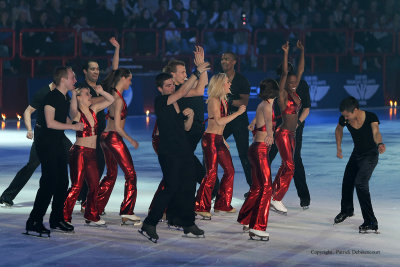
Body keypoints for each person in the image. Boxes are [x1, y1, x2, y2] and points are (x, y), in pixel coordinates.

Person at [140, 62, 209, 243]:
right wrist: (197, 72)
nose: (172, 87)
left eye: (172, 85)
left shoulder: (176, 103)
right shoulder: (161, 101)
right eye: (168, 86)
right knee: (171, 187)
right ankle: (150, 223)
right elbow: (181, 92)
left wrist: (191, 117)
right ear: (160, 88)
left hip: (183, 150)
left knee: (188, 186)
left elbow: (185, 127)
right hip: (169, 151)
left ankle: (188, 222)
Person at [25, 66, 83, 237]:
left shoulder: (63, 97)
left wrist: (72, 117)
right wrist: (72, 127)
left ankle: (56, 219)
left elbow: (66, 117)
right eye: (73, 77)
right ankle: (34, 221)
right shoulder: (51, 97)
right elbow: (50, 123)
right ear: (63, 79)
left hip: (56, 142)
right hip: (45, 143)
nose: (75, 80)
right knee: (49, 182)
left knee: (63, 182)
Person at [0, 82, 71, 207]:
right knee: (32, 165)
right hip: (42, 136)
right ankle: (7, 196)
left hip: (58, 136)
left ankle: (79, 194)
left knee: (75, 157)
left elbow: (64, 117)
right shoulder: (43, 93)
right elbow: (27, 112)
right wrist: (29, 129)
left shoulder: (63, 94)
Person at [194, 73, 246, 220]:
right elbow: (218, 122)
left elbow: (218, 125)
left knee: (230, 170)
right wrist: (238, 113)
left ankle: (222, 204)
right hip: (210, 140)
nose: (230, 84)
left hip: (218, 140)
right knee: (211, 174)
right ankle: (200, 205)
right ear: (220, 85)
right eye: (227, 82)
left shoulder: (223, 100)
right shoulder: (213, 100)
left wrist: (222, 139)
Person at [77, 37, 120, 206]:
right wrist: (104, 98)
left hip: (100, 133)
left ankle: (88, 200)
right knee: (85, 169)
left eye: (97, 69)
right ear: (85, 71)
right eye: (92, 69)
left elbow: (115, 71)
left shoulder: (101, 86)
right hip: (86, 134)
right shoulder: (81, 88)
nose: (96, 71)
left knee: (99, 167)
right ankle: (81, 197)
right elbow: (88, 104)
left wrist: (116, 49)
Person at [237, 76, 281, 241]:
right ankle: (257, 227)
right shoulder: (268, 105)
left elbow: (260, 116)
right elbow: (269, 121)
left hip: (255, 149)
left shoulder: (264, 104)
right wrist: (270, 134)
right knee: (266, 188)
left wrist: (253, 123)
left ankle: (247, 219)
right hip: (260, 150)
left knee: (257, 187)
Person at [63, 85, 114, 226]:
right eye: (87, 94)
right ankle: (64, 216)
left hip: (91, 153)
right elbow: (72, 110)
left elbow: (111, 100)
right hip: (79, 152)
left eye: (90, 94)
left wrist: (102, 91)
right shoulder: (77, 113)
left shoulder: (94, 110)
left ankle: (91, 215)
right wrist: (73, 94)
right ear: (79, 98)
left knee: (94, 186)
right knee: (76, 186)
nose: (90, 96)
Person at [334, 96, 385, 233]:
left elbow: (376, 132)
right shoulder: (344, 118)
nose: (346, 118)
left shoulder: (370, 117)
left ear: (355, 110)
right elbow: (338, 130)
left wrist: (379, 143)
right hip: (356, 154)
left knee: (361, 183)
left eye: (347, 115)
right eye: (344, 116)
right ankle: (346, 211)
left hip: (370, 155)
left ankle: (371, 221)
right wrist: (339, 147)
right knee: (347, 181)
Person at [96, 68, 140, 225]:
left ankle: (94, 206)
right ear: (123, 78)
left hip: (105, 137)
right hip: (113, 138)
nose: (130, 82)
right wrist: (131, 140)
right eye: (129, 79)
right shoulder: (118, 99)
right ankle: (127, 211)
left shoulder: (113, 94)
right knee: (131, 175)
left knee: (111, 174)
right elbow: (118, 127)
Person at [267, 63, 311, 209]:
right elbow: (269, 106)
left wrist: (298, 123)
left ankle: (304, 197)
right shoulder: (277, 85)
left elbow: (306, 108)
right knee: (267, 157)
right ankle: (262, 191)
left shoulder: (301, 85)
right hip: (278, 127)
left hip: (294, 128)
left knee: (294, 160)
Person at [270, 40, 304, 214]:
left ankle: (272, 193)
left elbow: (300, 70)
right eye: (289, 81)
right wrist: (285, 53)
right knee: (290, 166)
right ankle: (277, 198)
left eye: (294, 81)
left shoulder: (296, 93)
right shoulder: (283, 94)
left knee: (286, 165)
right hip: (282, 133)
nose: (292, 83)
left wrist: (302, 52)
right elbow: (285, 72)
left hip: (292, 134)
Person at [221, 52, 252, 193]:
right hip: (223, 121)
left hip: (239, 121)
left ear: (234, 62)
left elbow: (244, 102)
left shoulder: (242, 80)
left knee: (244, 154)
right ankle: (211, 188)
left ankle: (253, 188)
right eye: (222, 59)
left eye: (227, 59)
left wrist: (228, 101)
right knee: (211, 151)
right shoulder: (218, 78)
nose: (223, 61)